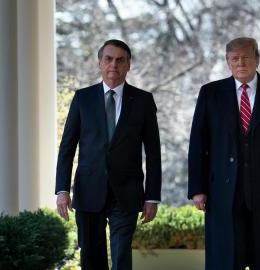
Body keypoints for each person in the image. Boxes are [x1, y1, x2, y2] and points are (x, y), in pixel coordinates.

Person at [188, 37, 260, 270]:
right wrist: (197, 189)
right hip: (223, 193)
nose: (241, 63)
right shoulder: (210, 93)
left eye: (246, 57)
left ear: (257, 60)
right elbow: (198, 144)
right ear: (228, 62)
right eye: (235, 59)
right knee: (226, 260)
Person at [55, 39, 162, 270]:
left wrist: (152, 196)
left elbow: (153, 152)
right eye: (108, 59)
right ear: (100, 63)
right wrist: (62, 190)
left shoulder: (143, 101)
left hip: (126, 193)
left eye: (120, 60)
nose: (114, 65)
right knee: (92, 258)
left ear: (128, 65)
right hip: (88, 190)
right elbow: (67, 148)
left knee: (122, 255)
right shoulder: (82, 98)